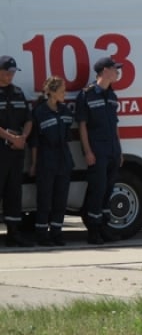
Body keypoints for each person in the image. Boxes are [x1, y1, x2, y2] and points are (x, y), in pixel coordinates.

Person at [75, 56, 124, 245]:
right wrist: (87, 151)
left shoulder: (112, 95)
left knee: (108, 190)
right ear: (104, 71)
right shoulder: (87, 94)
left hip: (112, 149)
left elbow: (115, 125)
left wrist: (119, 151)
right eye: (115, 68)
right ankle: (93, 231)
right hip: (97, 150)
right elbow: (82, 126)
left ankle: (104, 227)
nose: (117, 71)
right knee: (98, 189)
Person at [28, 76, 74, 246]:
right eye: (62, 90)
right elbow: (34, 142)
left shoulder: (65, 112)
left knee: (60, 200)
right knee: (44, 200)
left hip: (64, 160)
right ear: (52, 92)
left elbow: (68, 134)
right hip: (46, 161)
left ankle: (56, 233)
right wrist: (34, 163)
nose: (65, 93)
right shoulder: (39, 112)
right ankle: (41, 234)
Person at [0, 55, 33, 247]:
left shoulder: (19, 93)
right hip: (1, 151)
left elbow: (28, 119)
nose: (10, 75)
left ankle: (14, 233)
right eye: (7, 72)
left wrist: (23, 138)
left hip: (16, 152)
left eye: (12, 72)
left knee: (14, 192)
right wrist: (11, 138)